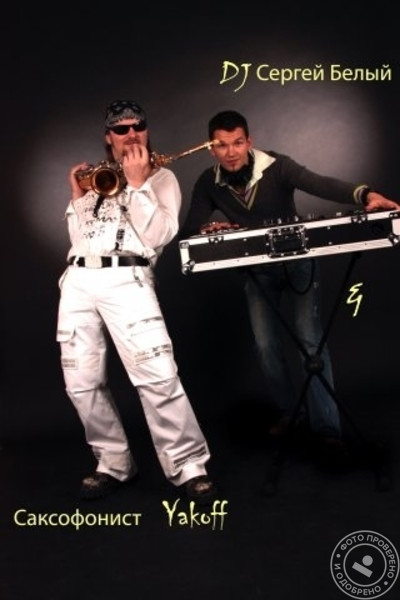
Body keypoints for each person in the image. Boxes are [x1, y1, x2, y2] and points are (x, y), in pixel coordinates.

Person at [180, 109, 400, 457]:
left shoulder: (278, 166)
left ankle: (327, 429)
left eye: (238, 142)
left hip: (299, 265)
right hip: (258, 272)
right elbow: (190, 228)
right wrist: (209, 228)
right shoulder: (208, 182)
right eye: (222, 145)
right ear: (211, 148)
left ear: (249, 142)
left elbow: (319, 183)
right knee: (265, 347)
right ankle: (291, 413)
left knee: (311, 343)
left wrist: (365, 194)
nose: (231, 152)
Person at [56, 99, 217, 503]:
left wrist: (138, 183)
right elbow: (80, 239)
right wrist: (77, 195)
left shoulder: (162, 178)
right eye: (121, 129)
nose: (131, 134)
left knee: (158, 375)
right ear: (108, 137)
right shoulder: (95, 178)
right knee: (81, 382)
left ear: (145, 130)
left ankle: (189, 466)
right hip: (78, 281)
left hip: (127, 280)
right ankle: (113, 462)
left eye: (137, 127)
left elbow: (160, 235)